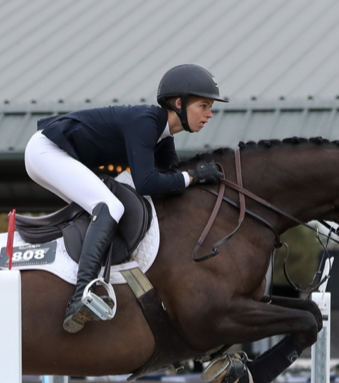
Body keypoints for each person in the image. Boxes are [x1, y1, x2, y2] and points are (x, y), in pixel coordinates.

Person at [25, 64, 227, 333]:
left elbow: (171, 177)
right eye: (203, 105)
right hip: (46, 151)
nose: (209, 114)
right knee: (109, 206)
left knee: (109, 206)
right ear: (179, 103)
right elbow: (146, 182)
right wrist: (193, 177)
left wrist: (199, 178)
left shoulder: (162, 136)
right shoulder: (145, 122)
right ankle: (81, 296)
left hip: (57, 155)